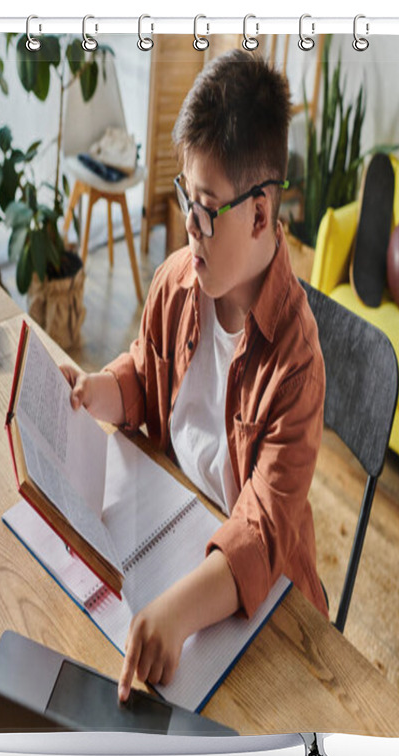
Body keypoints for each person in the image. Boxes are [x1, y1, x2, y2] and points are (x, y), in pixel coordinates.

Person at [61, 50, 328, 703]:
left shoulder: (296, 363)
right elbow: (147, 375)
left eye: (206, 207)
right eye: (186, 195)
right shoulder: (179, 282)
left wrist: (177, 613)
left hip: (263, 604)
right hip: (175, 524)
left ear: (261, 214)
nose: (189, 223)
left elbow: (262, 534)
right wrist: (103, 390)